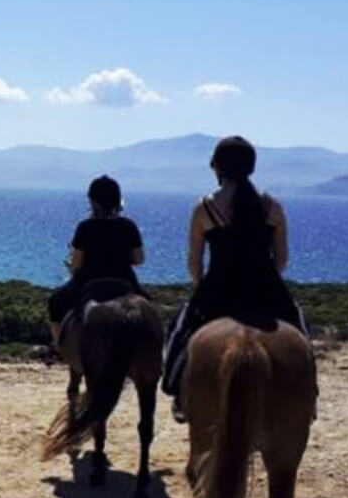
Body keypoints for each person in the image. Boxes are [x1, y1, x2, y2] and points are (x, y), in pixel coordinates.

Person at [162, 135, 308, 420]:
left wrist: (200, 289)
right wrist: (267, 280)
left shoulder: (204, 208)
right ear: (251, 167)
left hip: (218, 291)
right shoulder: (272, 207)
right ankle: (309, 394)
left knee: (180, 332)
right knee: (299, 331)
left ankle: (177, 390)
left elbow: (194, 263)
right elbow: (282, 260)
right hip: (265, 289)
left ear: (217, 167)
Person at [47, 175, 146, 346]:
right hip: (125, 280)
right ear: (117, 200)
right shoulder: (128, 226)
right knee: (148, 309)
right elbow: (139, 260)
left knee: (55, 302)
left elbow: (77, 263)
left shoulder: (85, 227)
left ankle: (60, 346)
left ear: (93, 201)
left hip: (88, 281)